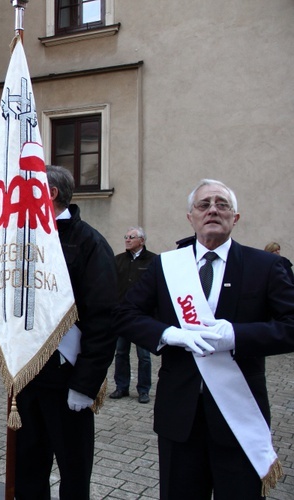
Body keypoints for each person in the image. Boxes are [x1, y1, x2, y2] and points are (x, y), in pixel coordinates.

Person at [113, 179, 294, 498]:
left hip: (238, 416)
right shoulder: (166, 266)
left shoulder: (266, 266)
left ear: (235, 218)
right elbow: (126, 314)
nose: (213, 209)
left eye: (222, 204)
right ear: (190, 216)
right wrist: (169, 333)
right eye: (204, 204)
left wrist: (237, 335)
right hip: (179, 416)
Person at [14, 165, 117, 500]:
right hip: (28, 375)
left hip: (67, 380)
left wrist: (85, 385)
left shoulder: (89, 242)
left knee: (73, 472)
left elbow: (103, 320)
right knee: (28, 469)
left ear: (51, 193)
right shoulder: (24, 236)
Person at [109, 226, 157, 404]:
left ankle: (143, 390)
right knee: (121, 353)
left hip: (142, 317)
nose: (127, 240)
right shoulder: (118, 260)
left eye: (132, 237)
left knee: (144, 356)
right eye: (126, 237)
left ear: (142, 241)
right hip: (122, 315)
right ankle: (121, 386)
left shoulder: (153, 261)